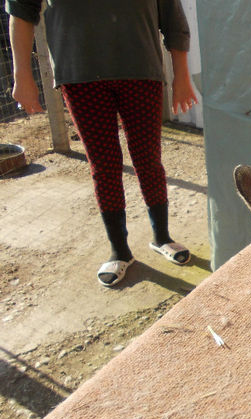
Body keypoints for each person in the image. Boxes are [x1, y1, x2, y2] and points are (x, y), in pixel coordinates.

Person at [6, 0, 199, 287]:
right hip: (80, 75)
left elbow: (173, 19)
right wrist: (21, 73)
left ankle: (162, 237)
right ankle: (119, 250)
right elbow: (21, 11)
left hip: (140, 70)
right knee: (104, 165)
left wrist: (181, 75)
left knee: (148, 158)